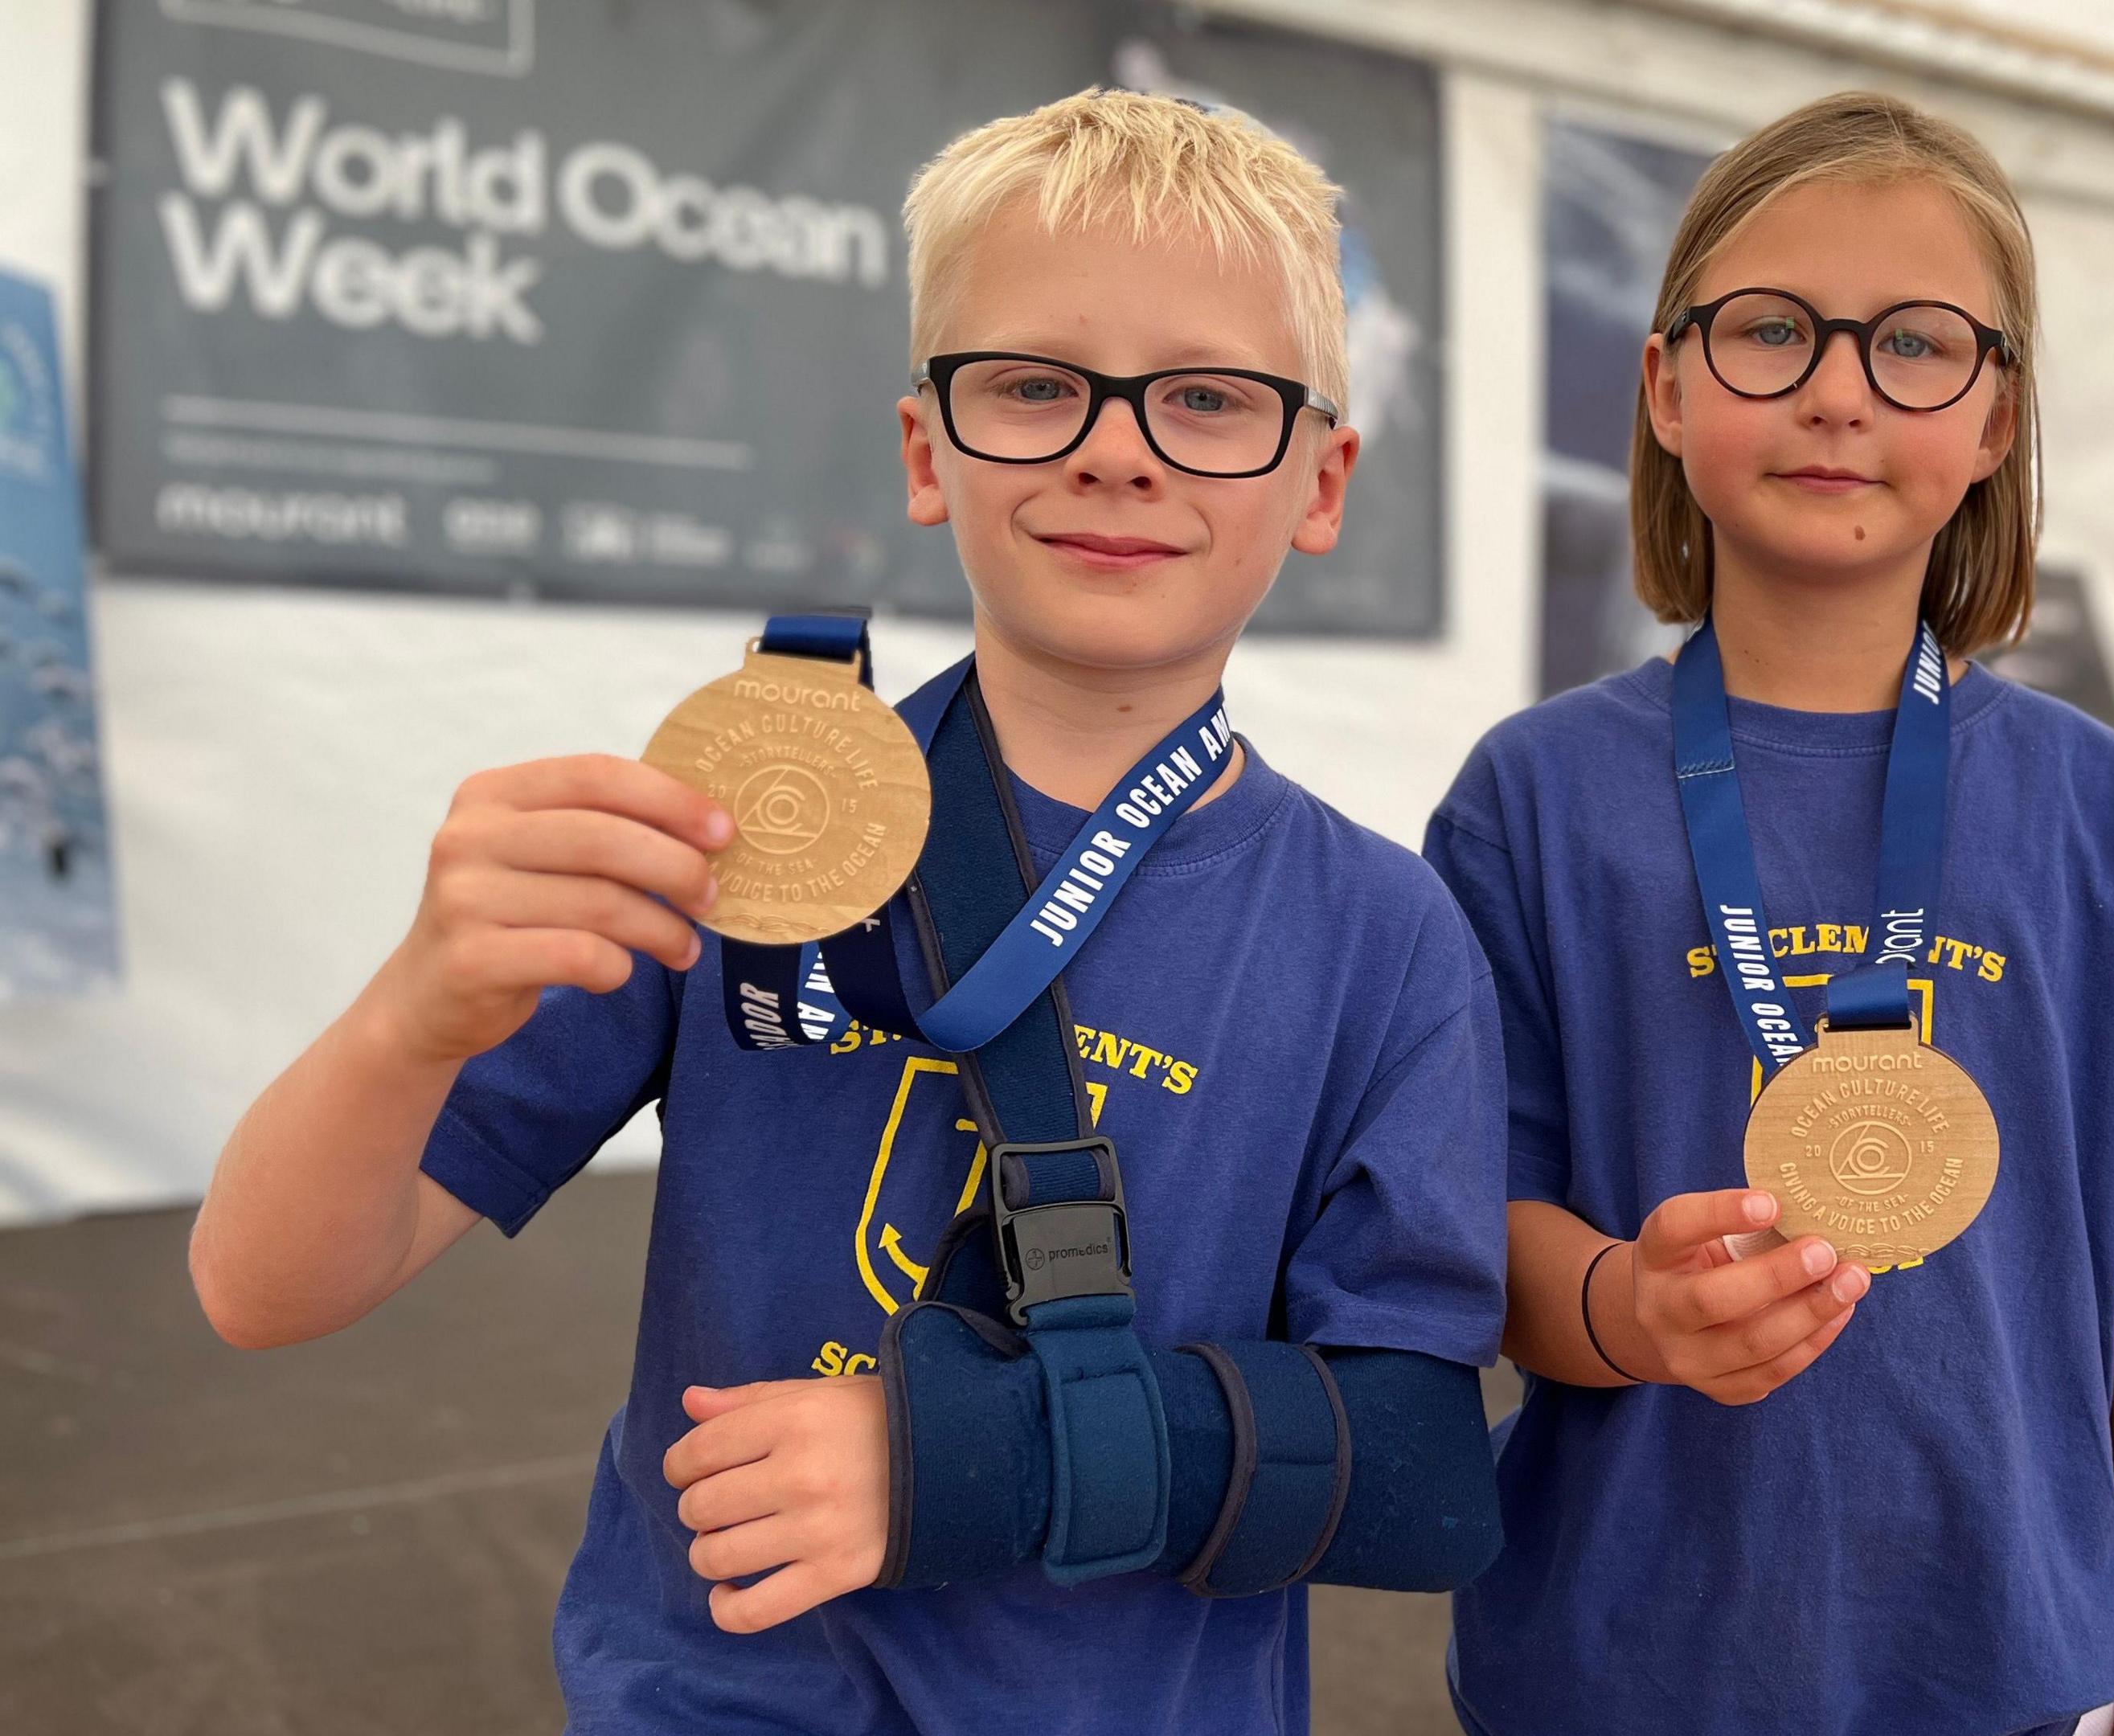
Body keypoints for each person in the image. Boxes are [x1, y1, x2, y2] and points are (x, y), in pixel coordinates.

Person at [190, 90, 1509, 1734]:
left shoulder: (1383, 941)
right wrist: (407, 1019)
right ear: (923, 450)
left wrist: (967, 1463)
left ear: (1320, 478)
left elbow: (1420, 1471)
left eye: (1209, 399)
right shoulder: (734, 833)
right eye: (1033, 385)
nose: (1117, 445)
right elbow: (263, 1288)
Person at [1425, 92, 2114, 1736]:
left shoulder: (2111, 819)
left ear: (1997, 418)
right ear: (1664, 386)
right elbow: (1475, 1239)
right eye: (1772, 331)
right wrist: (1624, 1309)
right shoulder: (1532, 801)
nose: (1840, 391)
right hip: (1617, 1673)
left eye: (1917, 345)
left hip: (2001, 1672)